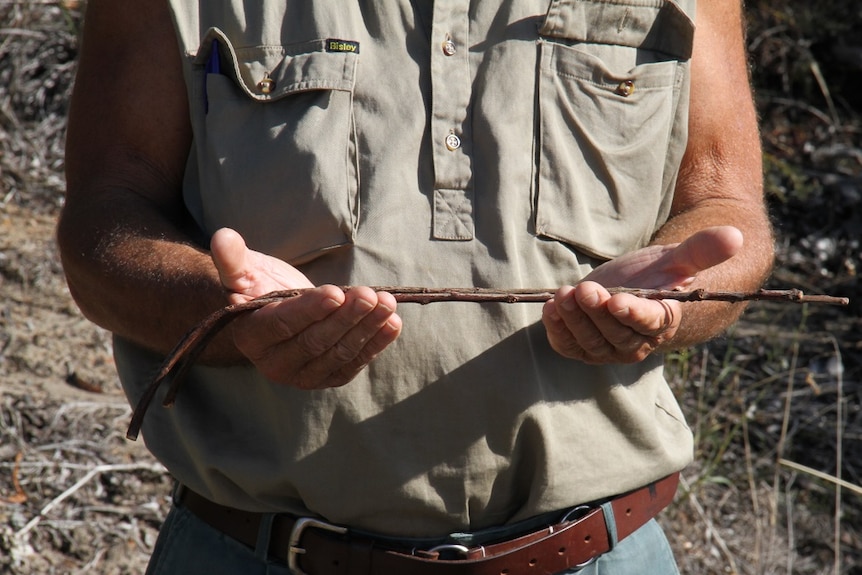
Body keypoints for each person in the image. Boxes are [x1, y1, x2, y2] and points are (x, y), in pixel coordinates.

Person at [57, 0, 774, 573]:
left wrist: (678, 297)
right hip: (251, 552)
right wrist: (225, 312)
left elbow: (729, 210)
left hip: (601, 554)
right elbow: (102, 220)